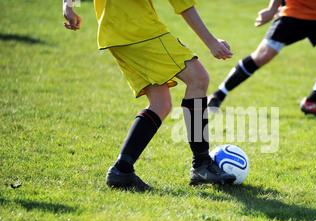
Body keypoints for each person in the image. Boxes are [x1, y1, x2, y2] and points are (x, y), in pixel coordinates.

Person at [62, 0, 236, 190]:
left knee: (161, 103)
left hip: (112, 33)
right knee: (198, 79)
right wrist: (211, 41)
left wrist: (68, 6)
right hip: (138, 28)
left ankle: (122, 171)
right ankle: (202, 163)